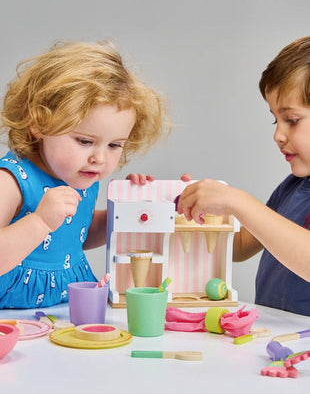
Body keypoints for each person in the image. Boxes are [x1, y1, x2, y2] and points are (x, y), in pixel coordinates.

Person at [0, 40, 169, 309]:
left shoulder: (83, 177)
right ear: (39, 124)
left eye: (114, 145)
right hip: (11, 315)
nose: (99, 159)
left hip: (67, 306)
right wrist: (41, 221)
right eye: (84, 141)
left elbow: (77, 232)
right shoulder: (11, 180)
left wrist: (128, 214)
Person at [177, 36, 310, 316]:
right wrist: (190, 206)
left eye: (292, 120)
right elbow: (237, 248)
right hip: (281, 342)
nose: (278, 135)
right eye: (275, 120)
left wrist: (237, 201)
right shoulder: (292, 188)